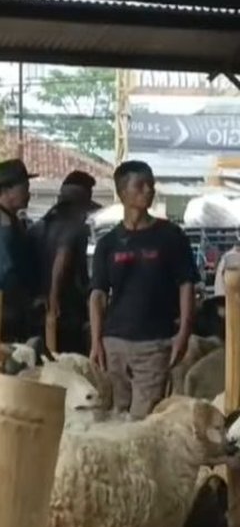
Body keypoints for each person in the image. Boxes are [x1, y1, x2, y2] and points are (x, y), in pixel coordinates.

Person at [89, 160, 199, 421]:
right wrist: (96, 341)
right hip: (114, 342)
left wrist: (183, 334)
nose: (148, 190)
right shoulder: (108, 243)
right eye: (140, 185)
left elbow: (187, 285)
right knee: (114, 415)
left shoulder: (171, 236)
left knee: (144, 419)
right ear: (122, 192)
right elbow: (98, 295)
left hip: (155, 343)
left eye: (151, 184)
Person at [32, 170, 100, 353]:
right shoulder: (76, 229)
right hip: (66, 312)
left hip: (36, 310)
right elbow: (63, 258)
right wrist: (54, 299)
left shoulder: (36, 228)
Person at [0, 158, 38, 341]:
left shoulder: (10, 220)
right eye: (24, 188)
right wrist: (28, 299)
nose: (28, 194)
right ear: (5, 191)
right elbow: (4, 274)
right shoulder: (1, 225)